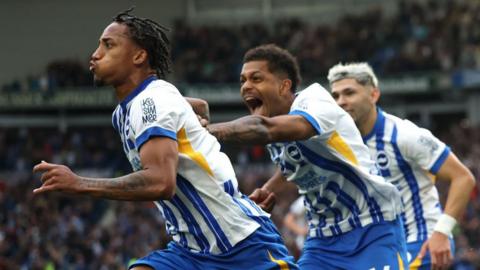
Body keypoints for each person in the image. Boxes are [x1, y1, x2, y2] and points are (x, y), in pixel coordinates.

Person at [32, 9, 298, 270]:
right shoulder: (131, 109)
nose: (95, 54)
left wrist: (79, 183)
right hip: (190, 250)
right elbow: (200, 106)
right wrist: (194, 122)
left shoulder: (151, 100)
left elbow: (161, 182)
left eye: (108, 45)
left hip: (241, 246)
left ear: (139, 56)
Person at [207, 44, 408, 270]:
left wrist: (207, 131)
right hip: (322, 241)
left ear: (284, 86)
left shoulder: (314, 102)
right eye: (243, 80)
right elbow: (294, 166)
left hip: (372, 228)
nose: (246, 86)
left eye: (256, 78)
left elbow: (267, 128)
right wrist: (269, 189)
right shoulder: (275, 128)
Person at [328, 62, 476, 270]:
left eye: (349, 93)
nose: (341, 102)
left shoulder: (403, 134)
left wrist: (442, 233)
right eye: (335, 96)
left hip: (419, 243)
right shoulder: (340, 144)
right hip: (377, 248)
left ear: (374, 95)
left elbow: (463, 177)